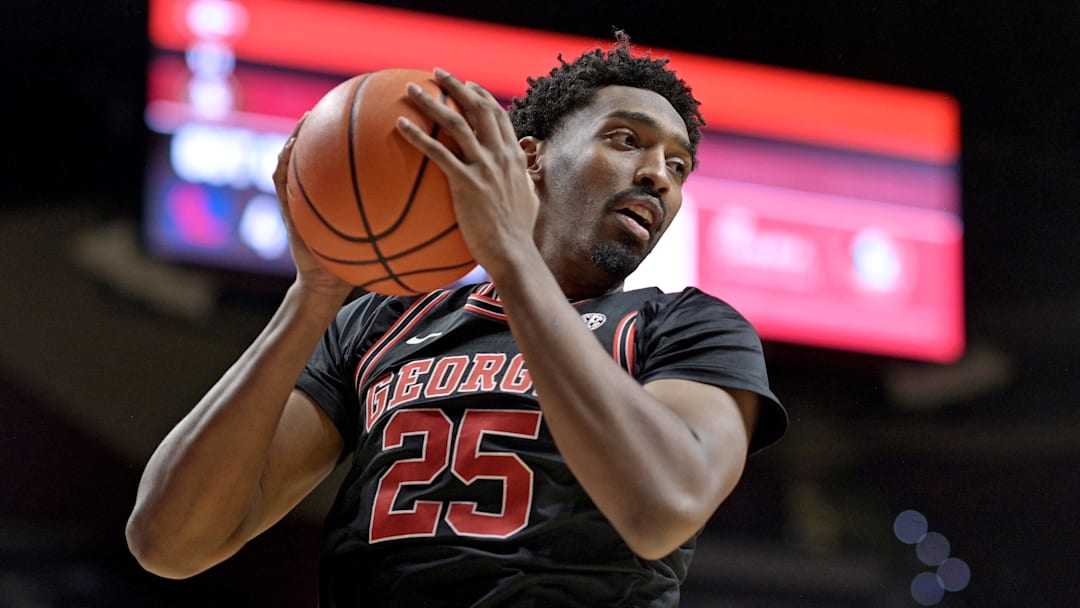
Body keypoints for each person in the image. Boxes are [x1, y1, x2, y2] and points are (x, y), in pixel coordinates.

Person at [126, 34, 787, 607]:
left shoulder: (688, 327)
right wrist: (316, 293)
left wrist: (506, 255)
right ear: (527, 158)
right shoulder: (376, 325)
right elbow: (168, 541)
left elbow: (663, 506)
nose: (658, 176)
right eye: (625, 140)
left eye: (678, 164)